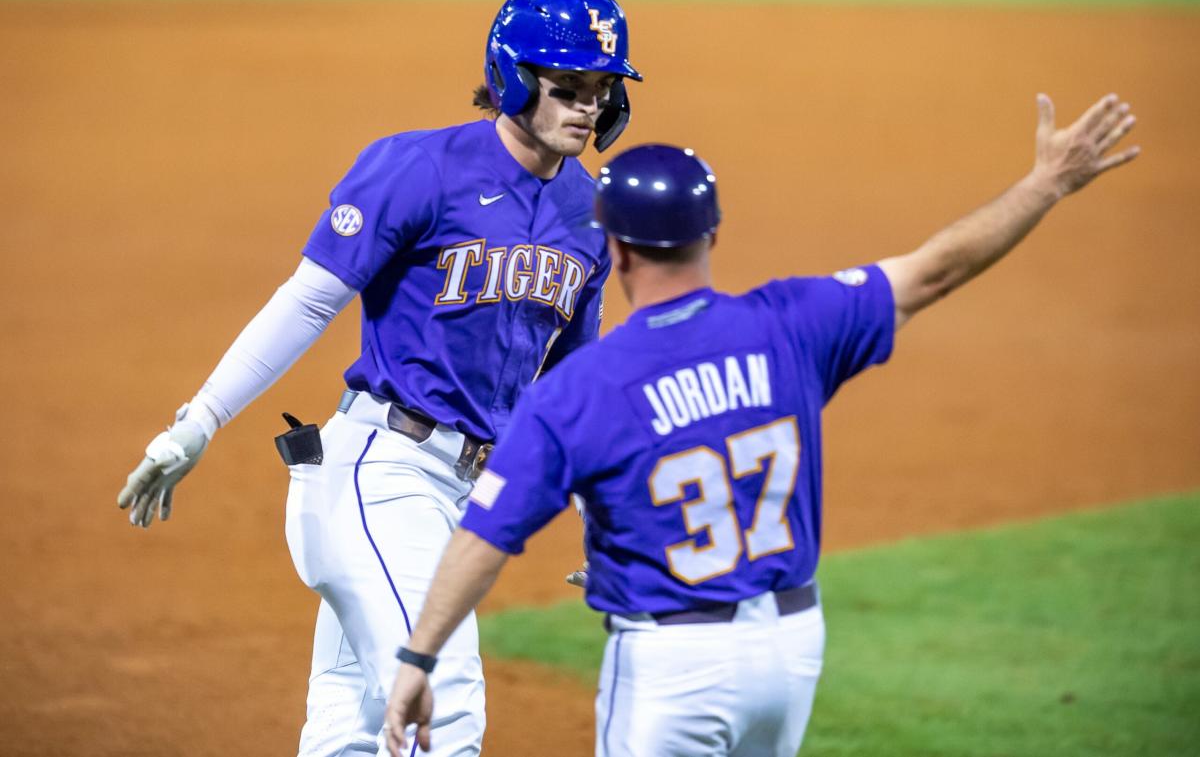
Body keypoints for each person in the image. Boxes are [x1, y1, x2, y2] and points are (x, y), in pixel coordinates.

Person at [381, 92, 1139, 756]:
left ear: (613, 247)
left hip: (671, 666)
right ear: (711, 233)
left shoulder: (585, 386)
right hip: (789, 650)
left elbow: (485, 534)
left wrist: (418, 658)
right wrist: (1047, 183)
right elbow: (935, 268)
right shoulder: (793, 323)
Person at [116, 0, 643, 757]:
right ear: (514, 78)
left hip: (464, 498)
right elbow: (307, 301)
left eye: (601, 91)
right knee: (445, 698)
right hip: (379, 473)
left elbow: (571, 388)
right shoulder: (420, 167)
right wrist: (197, 420)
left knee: (353, 729)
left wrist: (606, 523)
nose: (587, 108)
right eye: (568, 88)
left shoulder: (590, 214)